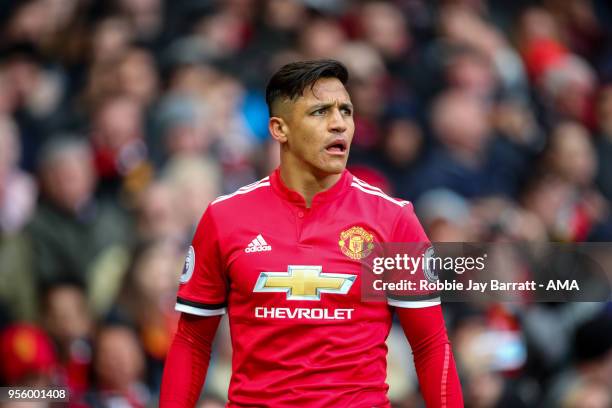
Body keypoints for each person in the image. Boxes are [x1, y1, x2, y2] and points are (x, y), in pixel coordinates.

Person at [160, 60, 463, 407]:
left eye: (346, 111)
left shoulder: (393, 220)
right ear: (279, 129)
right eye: (321, 112)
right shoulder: (224, 218)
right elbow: (192, 342)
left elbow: (430, 344)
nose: (339, 124)